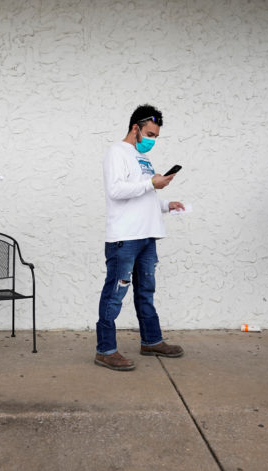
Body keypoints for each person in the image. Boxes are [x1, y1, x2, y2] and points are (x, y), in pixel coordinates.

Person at [95, 104, 185, 371]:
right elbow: (116, 191)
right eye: (149, 134)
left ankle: (151, 340)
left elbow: (143, 195)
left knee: (146, 291)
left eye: (155, 136)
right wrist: (151, 184)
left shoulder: (141, 158)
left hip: (148, 235)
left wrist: (166, 204)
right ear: (135, 128)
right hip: (125, 237)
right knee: (115, 293)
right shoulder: (117, 152)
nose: (152, 140)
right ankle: (105, 350)